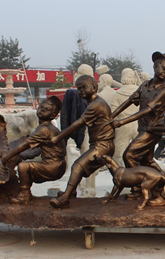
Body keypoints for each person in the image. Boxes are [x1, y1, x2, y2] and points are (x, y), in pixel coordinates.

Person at [110, 51, 165, 199]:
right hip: (143, 128)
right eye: (164, 68)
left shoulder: (163, 91)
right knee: (147, 160)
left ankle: (139, 187)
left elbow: (146, 110)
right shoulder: (145, 85)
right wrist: (112, 115)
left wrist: (122, 122)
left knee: (129, 155)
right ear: (155, 66)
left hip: (152, 131)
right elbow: (130, 100)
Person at [49, 75, 115, 208]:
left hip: (102, 146)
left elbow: (78, 123)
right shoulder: (94, 103)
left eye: (84, 87)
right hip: (99, 144)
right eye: (79, 89)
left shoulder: (96, 104)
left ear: (94, 87)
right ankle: (71, 192)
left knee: (77, 166)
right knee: (84, 167)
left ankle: (65, 198)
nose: (81, 91)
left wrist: (58, 137)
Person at [1, 97, 66, 205]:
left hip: (53, 166)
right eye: (41, 107)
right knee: (27, 166)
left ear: (53, 115)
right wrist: (22, 155)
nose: (41, 110)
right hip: (58, 165)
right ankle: (23, 191)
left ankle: (25, 196)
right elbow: (38, 149)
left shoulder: (44, 129)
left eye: (46, 110)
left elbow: (25, 145)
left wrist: (6, 158)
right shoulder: (46, 127)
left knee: (23, 167)